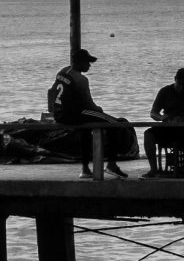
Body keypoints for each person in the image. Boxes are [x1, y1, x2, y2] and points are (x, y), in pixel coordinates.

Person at [48, 48, 131, 178]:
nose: (89, 66)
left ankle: (85, 169)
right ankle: (111, 164)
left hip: (59, 115)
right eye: (87, 62)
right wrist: (100, 110)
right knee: (115, 124)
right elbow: (89, 105)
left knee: (86, 131)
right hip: (74, 114)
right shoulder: (81, 79)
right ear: (79, 62)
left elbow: (52, 91)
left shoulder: (62, 72)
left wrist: (53, 109)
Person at [145, 67, 184, 176]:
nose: (182, 87)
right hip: (168, 127)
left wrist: (183, 119)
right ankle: (153, 169)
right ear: (175, 79)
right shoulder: (165, 91)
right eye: (179, 84)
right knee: (148, 134)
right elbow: (153, 113)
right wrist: (162, 118)